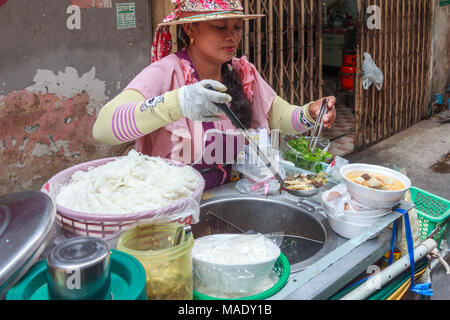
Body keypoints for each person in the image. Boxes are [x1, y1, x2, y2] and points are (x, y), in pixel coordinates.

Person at [93, 0, 336, 191]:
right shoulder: (167, 72)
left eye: (237, 27)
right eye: (220, 27)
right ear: (190, 28)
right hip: (175, 210)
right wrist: (178, 103)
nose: (232, 36)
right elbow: (103, 128)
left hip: (229, 194)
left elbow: (281, 116)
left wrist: (309, 113)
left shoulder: (242, 72)